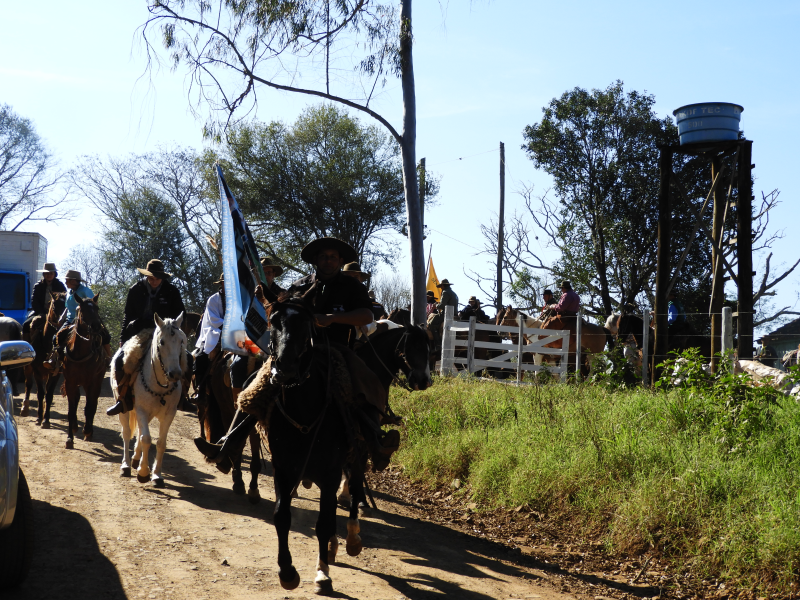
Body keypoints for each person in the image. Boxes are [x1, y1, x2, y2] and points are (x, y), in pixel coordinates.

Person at [199, 237, 400, 472]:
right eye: (323, 256)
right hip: (298, 350)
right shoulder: (299, 286)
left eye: (333, 257)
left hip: (338, 349)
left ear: (340, 260)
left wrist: (332, 318)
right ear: (316, 260)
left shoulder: (352, 286)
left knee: (364, 382)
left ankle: (376, 443)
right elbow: (280, 313)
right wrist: (263, 301)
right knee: (255, 386)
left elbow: (366, 315)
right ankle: (229, 445)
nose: (328, 261)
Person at [107, 259, 186, 416]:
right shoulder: (135, 289)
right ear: (146, 276)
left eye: (157, 278)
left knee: (187, 358)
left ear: (162, 277)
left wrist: (176, 334)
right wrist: (123, 338)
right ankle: (123, 399)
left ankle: (183, 398)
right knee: (120, 360)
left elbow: (181, 314)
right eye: (151, 277)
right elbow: (127, 316)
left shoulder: (172, 291)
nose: (154, 281)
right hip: (139, 333)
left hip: (165, 333)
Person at [44, 270, 113, 374]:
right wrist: (61, 319)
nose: (65, 282)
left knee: (104, 335)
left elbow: (92, 305)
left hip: (86, 320)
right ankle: (55, 360)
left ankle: (109, 358)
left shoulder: (85, 291)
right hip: (70, 320)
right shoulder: (69, 293)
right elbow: (67, 308)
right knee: (57, 337)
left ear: (73, 281)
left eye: (67, 280)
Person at [23, 262, 67, 337]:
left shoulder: (60, 286)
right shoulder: (38, 286)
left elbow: (63, 301)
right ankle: (27, 343)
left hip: (57, 314)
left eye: (51, 273)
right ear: (43, 274)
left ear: (54, 274)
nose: (49, 275)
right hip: (41, 312)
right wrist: (41, 313)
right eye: (47, 273)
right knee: (26, 325)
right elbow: (34, 301)